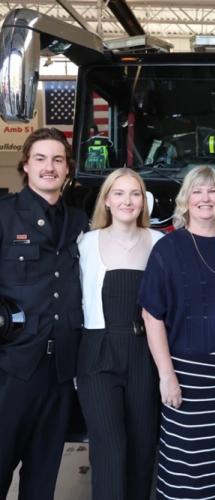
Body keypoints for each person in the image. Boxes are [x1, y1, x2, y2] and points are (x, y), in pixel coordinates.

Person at [138, 166, 215, 499]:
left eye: (212, 191)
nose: (205, 198)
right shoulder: (168, 249)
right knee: (184, 461)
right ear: (185, 200)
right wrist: (166, 375)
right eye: (197, 191)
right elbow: (151, 315)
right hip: (185, 375)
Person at [0, 128, 88, 499]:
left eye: (57, 160)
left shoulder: (79, 221)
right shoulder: (4, 215)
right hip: (12, 368)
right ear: (26, 165)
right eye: (40, 159)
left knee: (42, 480)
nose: (49, 167)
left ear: (67, 168)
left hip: (60, 372)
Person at [76, 168, 163, 500]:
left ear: (144, 201)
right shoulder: (85, 244)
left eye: (135, 193)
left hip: (145, 355)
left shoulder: (160, 243)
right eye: (120, 193)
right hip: (98, 355)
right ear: (107, 200)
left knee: (142, 451)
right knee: (110, 453)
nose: (128, 200)